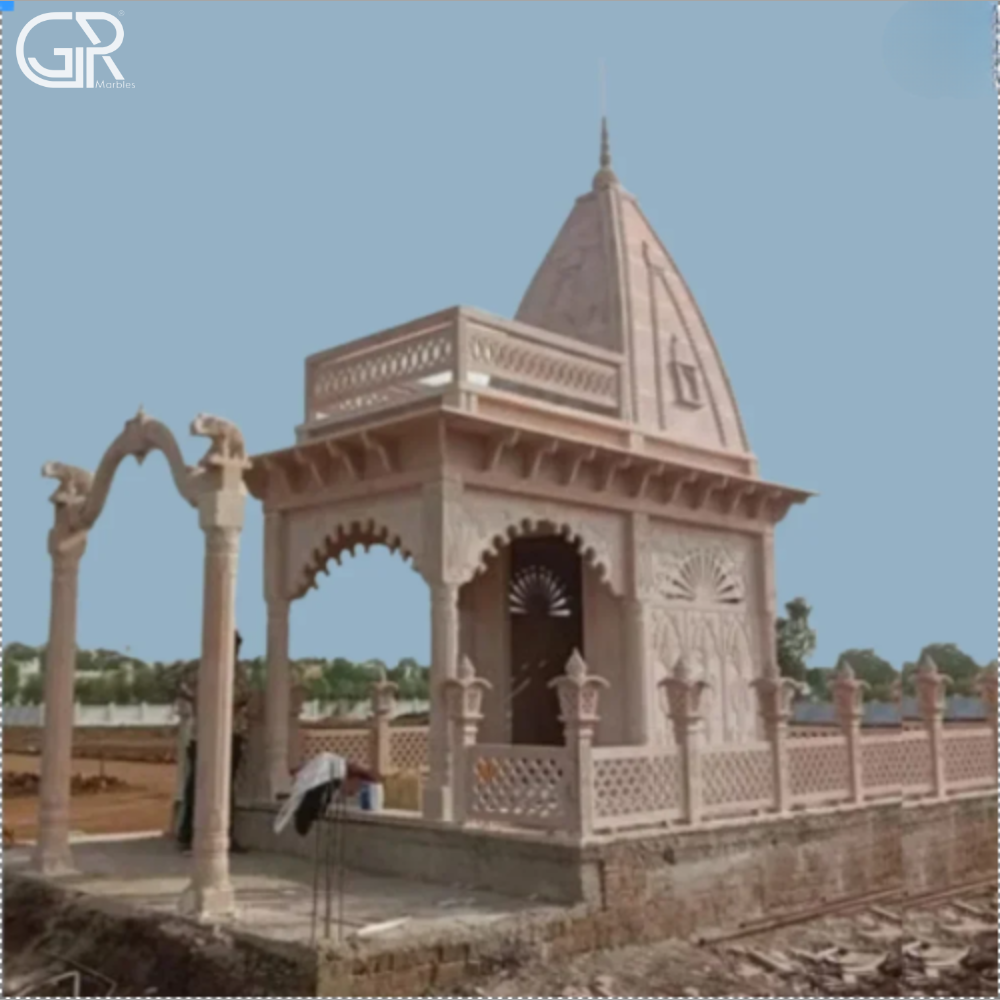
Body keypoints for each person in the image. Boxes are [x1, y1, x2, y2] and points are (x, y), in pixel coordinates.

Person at [177, 630, 251, 854]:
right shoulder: (199, 668)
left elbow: (243, 697)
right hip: (204, 734)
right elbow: (183, 689)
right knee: (196, 787)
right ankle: (189, 835)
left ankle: (224, 834)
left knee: (225, 789)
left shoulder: (238, 670)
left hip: (231, 734)